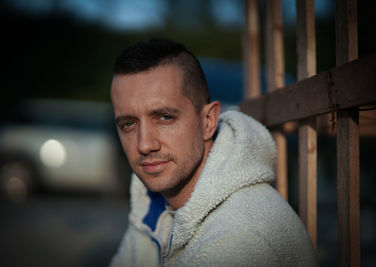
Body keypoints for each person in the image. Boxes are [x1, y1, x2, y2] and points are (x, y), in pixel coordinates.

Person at [109, 38, 317, 266]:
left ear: (208, 121)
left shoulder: (240, 240)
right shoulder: (153, 203)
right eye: (128, 124)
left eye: (165, 118)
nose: (144, 145)